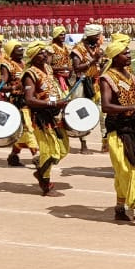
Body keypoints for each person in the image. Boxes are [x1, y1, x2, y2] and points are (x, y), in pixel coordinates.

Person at [99, 40, 135, 228]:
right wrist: (133, 106)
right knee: (131, 172)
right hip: (118, 131)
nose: (129, 56)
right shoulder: (107, 78)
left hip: (132, 129)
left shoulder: (127, 74)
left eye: (129, 53)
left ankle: (120, 209)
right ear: (115, 57)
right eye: (125, 53)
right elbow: (106, 106)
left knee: (124, 173)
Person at [22, 41, 69, 196]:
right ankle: (45, 182)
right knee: (51, 152)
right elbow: (29, 99)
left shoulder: (48, 68)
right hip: (42, 117)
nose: (45, 54)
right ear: (34, 57)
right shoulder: (30, 74)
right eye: (41, 52)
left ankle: (40, 172)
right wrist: (53, 102)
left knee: (63, 150)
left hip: (55, 114)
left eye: (45, 52)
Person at [2, 39, 39, 167]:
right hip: (18, 101)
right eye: (18, 48)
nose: (21, 50)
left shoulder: (24, 63)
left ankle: (13, 155)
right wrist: (12, 88)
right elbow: (2, 84)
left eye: (22, 48)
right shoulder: (7, 65)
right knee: (27, 126)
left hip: (29, 98)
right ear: (11, 51)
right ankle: (36, 155)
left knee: (28, 127)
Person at [70, 24, 105, 154]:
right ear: (89, 36)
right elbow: (77, 68)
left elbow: (100, 62)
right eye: (97, 36)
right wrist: (92, 61)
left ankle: (105, 142)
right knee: (82, 112)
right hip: (82, 83)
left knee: (103, 112)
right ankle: (83, 144)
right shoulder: (77, 49)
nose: (99, 38)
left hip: (96, 82)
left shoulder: (96, 47)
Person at [49, 26, 73, 93]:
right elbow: (47, 67)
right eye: (60, 35)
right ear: (55, 36)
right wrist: (65, 68)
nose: (63, 36)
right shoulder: (51, 48)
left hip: (67, 78)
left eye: (64, 34)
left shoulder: (66, 47)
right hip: (56, 78)